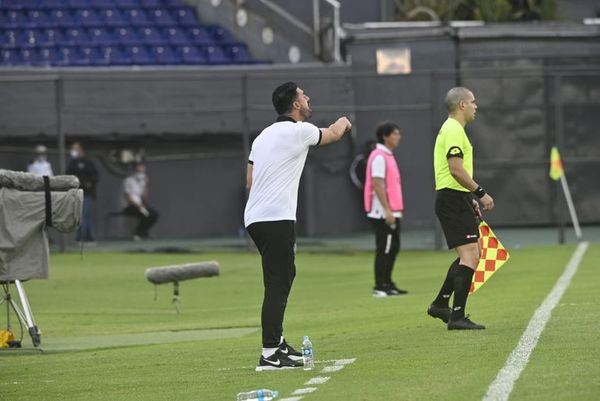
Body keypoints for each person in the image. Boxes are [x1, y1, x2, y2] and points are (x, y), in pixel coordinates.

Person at [244, 81, 352, 371]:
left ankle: (277, 343)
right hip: (276, 218)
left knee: (284, 276)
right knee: (277, 284)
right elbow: (332, 134)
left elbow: (250, 181)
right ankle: (269, 354)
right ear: (295, 105)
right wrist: (344, 121)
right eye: (304, 95)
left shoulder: (262, 137)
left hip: (256, 217)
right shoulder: (298, 130)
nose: (308, 98)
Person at [427, 87, 494, 330]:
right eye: (473, 102)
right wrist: (480, 192)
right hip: (452, 198)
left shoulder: (452, 129)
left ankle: (440, 304)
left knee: (473, 251)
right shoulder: (454, 129)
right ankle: (457, 316)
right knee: (470, 256)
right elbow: (455, 169)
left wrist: (469, 197)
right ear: (463, 105)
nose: (476, 106)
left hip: (457, 197)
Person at [363, 121, 407, 297]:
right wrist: (387, 211)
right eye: (395, 134)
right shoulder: (379, 156)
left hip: (391, 211)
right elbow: (377, 184)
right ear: (385, 136)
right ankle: (379, 286)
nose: (398, 137)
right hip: (382, 212)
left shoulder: (387, 155)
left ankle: (388, 283)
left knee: (393, 247)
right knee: (385, 248)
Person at [66, 142, 99, 243]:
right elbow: (68, 176)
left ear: (81, 150)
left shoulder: (88, 162)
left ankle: (81, 238)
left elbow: (95, 176)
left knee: (83, 215)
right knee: (84, 216)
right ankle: (91, 238)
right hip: (76, 193)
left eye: (76, 149)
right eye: (72, 149)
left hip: (88, 194)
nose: (74, 152)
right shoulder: (72, 164)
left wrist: (89, 184)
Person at [122, 163, 159, 240]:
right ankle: (137, 233)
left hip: (140, 205)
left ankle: (142, 232)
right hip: (131, 206)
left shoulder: (142, 181)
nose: (142, 169)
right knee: (146, 214)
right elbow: (129, 198)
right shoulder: (128, 180)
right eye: (140, 167)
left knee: (154, 214)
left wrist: (146, 185)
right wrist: (139, 206)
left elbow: (144, 198)